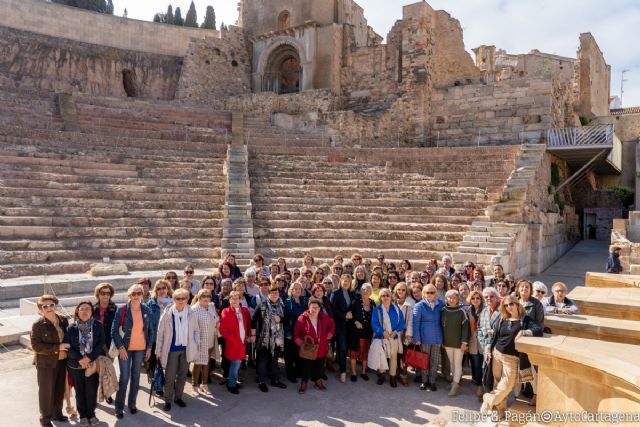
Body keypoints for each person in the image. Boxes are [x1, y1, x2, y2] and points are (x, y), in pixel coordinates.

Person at [480, 296, 543, 418]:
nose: (509, 307)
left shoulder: (525, 320)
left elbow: (538, 330)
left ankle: (488, 400)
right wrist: (488, 350)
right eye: (506, 305)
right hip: (497, 354)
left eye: (511, 304)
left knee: (507, 385)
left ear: (517, 304)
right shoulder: (502, 318)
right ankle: (500, 411)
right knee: (497, 383)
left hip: (513, 358)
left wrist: (524, 332)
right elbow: (495, 336)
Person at [111, 284, 153, 419]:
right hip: (125, 348)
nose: (136, 296)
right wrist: (121, 347)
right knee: (124, 377)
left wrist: (149, 348)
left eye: (138, 293)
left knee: (136, 377)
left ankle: (132, 404)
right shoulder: (122, 310)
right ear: (129, 296)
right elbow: (114, 331)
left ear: (142, 295)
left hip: (140, 349)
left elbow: (150, 331)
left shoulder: (146, 309)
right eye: (133, 294)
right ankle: (119, 407)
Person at [64, 301, 105, 427]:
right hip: (76, 365)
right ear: (77, 312)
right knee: (80, 391)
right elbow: (67, 346)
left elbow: (101, 344)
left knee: (92, 390)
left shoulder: (98, 325)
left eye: (88, 309)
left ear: (92, 312)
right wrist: (81, 359)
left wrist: (89, 358)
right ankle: (83, 415)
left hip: (92, 364)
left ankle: (91, 414)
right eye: (82, 309)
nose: (85, 311)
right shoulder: (71, 328)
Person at [31, 295, 70, 427]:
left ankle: (57, 413)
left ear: (55, 305)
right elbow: (36, 346)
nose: (49, 308)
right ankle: (45, 419)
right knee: (46, 391)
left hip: (62, 360)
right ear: (41, 309)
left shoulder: (63, 320)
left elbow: (69, 338)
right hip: (45, 363)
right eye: (45, 306)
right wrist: (57, 348)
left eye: (51, 305)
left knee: (59, 388)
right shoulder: (38, 325)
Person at [294, 298, 335, 394]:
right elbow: (296, 332)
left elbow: (332, 323)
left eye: (317, 307)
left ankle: (317, 380)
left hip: (321, 346)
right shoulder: (302, 318)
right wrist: (300, 342)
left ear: (320, 308)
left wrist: (330, 333)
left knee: (319, 365)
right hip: (308, 348)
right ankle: (304, 383)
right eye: (313, 307)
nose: (314, 309)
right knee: (306, 366)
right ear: (309, 307)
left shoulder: (324, 317)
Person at [251, 285, 287, 392]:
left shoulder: (282, 305)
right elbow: (253, 321)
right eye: (272, 293)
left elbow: (288, 319)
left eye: (277, 293)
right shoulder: (262, 306)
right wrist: (253, 335)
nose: (275, 295)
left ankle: (275, 380)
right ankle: (261, 381)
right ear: (268, 294)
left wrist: (280, 319)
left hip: (277, 338)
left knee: (274, 360)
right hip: (264, 339)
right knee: (263, 360)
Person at [516, 279, 545, 406]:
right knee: (518, 368)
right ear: (518, 289)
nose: (524, 289)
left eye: (526, 287)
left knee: (532, 370)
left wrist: (527, 333)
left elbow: (540, 324)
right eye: (521, 287)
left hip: (529, 340)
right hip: (514, 340)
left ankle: (536, 395)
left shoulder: (536, 304)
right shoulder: (514, 302)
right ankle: (518, 393)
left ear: (530, 289)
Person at [410, 284, 444, 391]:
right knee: (424, 360)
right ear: (423, 293)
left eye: (432, 292)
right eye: (427, 292)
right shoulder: (419, 305)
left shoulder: (441, 304)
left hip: (437, 337)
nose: (430, 294)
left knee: (435, 360)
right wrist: (417, 338)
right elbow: (415, 323)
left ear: (436, 293)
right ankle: (424, 381)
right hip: (424, 337)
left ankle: (432, 381)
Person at [219, 291, 252, 394]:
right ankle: (231, 385)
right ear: (229, 300)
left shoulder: (244, 310)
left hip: (243, 342)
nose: (234, 300)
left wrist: (249, 336)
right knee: (235, 363)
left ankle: (232, 380)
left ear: (240, 300)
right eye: (232, 298)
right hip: (233, 342)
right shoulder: (226, 311)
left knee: (237, 363)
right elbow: (223, 329)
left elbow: (249, 324)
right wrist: (233, 338)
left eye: (236, 298)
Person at [371, 288, 405, 387]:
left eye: (387, 295)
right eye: (383, 295)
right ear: (380, 298)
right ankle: (382, 375)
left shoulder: (396, 309)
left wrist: (395, 332)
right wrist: (382, 332)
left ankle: (392, 377)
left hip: (393, 337)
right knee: (382, 356)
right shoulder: (377, 309)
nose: (385, 297)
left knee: (393, 357)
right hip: (381, 337)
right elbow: (374, 324)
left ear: (391, 297)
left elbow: (401, 323)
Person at [440, 290, 469, 397]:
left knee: (457, 364)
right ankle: (454, 381)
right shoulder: (443, 310)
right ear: (446, 299)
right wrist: (442, 340)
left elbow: (466, 328)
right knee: (451, 363)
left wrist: (464, 342)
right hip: (447, 342)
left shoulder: (462, 312)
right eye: (449, 298)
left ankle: (455, 385)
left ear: (458, 299)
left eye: (454, 298)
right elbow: (441, 327)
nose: (452, 300)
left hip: (458, 343)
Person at [190, 289, 219, 395]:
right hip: (199, 342)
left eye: (208, 296)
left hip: (210, 339)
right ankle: (194, 386)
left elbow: (216, 319)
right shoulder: (194, 309)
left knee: (206, 363)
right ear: (199, 297)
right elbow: (192, 328)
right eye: (203, 296)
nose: (206, 298)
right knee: (197, 364)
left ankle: (204, 384)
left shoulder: (211, 306)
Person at [147, 279, 174, 393]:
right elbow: (147, 323)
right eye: (159, 288)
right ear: (156, 290)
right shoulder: (151, 303)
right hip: (155, 339)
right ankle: (157, 384)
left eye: (164, 288)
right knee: (155, 364)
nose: (162, 290)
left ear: (168, 289)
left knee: (169, 364)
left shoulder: (174, 302)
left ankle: (168, 383)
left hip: (170, 338)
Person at [330, 274, 355, 383]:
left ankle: (345, 368)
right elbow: (332, 310)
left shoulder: (352, 294)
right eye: (344, 281)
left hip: (350, 326)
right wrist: (344, 315)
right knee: (342, 348)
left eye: (348, 282)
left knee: (346, 348)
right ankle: (343, 371)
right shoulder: (335, 293)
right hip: (340, 326)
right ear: (341, 281)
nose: (346, 283)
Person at [347, 283, 375, 382]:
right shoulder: (355, 302)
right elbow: (348, 315)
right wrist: (355, 321)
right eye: (363, 289)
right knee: (354, 353)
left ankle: (363, 372)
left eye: (367, 290)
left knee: (365, 353)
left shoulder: (373, 303)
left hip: (368, 332)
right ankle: (353, 373)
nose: (365, 291)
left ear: (370, 292)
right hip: (355, 332)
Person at [283, 281, 307, 383]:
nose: (297, 290)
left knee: (299, 353)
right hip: (291, 331)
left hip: (302, 332)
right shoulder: (287, 302)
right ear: (291, 291)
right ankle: (290, 374)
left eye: (299, 289)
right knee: (289, 354)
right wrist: (288, 333)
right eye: (295, 289)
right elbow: (286, 318)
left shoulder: (304, 301)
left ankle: (298, 371)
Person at [393, 282, 413, 386]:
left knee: (404, 354)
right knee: (394, 353)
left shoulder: (410, 303)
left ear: (406, 291)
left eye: (403, 290)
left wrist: (409, 334)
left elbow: (410, 320)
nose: (400, 292)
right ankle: (394, 373)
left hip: (405, 333)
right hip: (394, 332)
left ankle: (404, 374)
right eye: (399, 289)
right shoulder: (392, 302)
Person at [466, 290, 485, 398]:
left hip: (483, 341)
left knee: (482, 364)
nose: (475, 300)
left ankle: (481, 385)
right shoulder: (468, 310)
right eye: (473, 298)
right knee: (475, 363)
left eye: (478, 298)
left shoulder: (485, 310)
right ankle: (478, 383)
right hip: (472, 341)